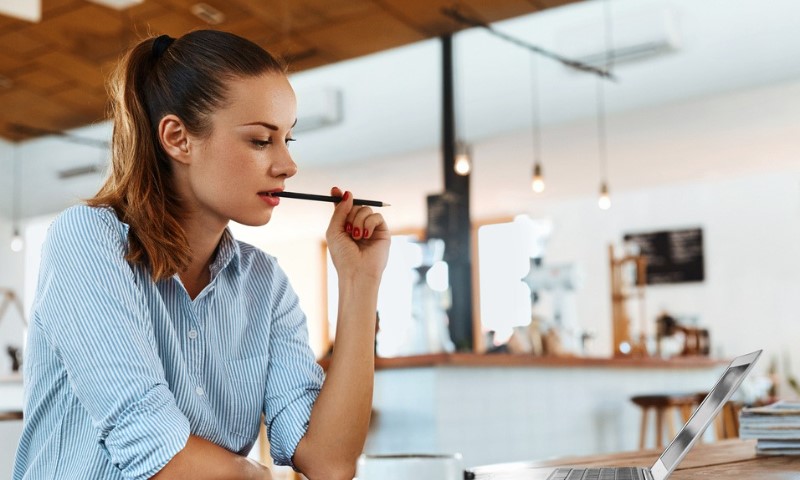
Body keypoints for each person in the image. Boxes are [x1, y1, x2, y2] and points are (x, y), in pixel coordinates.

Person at [13, 30, 389, 480]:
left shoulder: (264, 284)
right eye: (260, 140)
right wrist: (259, 474)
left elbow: (327, 461)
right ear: (178, 139)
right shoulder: (88, 240)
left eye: (288, 139)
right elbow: (155, 452)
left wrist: (359, 281)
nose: (288, 166)